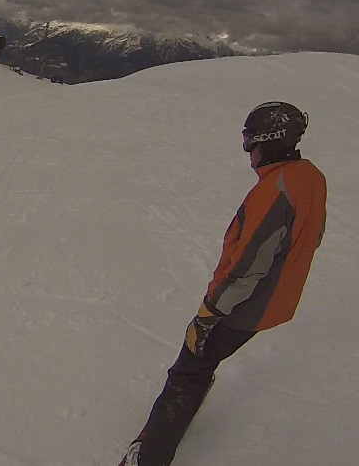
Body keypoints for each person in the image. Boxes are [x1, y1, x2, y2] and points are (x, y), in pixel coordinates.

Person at [121, 101, 326, 466]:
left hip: (245, 307)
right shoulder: (310, 177)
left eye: (251, 143)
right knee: (203, 359)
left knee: (189, 366)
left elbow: (246, 271)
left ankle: (149, 457)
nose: (248, 153)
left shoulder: (273, 192)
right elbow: (313, 235)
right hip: (276, 300)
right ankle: (201, 376)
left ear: (271, 144)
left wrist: (209, 314)